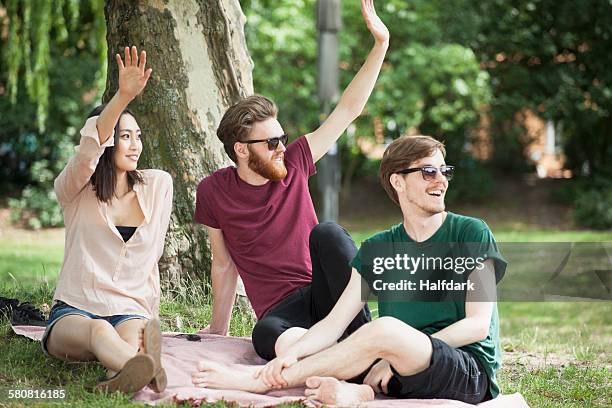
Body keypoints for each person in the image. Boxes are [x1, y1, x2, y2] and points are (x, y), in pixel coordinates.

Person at [191, 135, 507, 406]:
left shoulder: (471, 233)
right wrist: (291, 355)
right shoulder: (378, 248)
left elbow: (477, 326)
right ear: (398, 181)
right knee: (306, 341)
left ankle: (259, 382)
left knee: (384, 330)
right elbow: (333, 324)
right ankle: (359, 391)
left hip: (467, 370)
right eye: (428, 171)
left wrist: (394, 353)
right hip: (393, 371)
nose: (441, 180)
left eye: (444, 170)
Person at [193, 0, 389, 363]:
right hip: (283, 313)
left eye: (282, 138)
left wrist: (380, 46)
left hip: (327, 295)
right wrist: (218, 330)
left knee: (328, 233)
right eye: (271, 142)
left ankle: (366, 340)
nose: (281, 147)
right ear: (240, 149)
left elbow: (348, 109)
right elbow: (223, 264)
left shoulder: (296, 160)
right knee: (265, 334)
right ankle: (335, 356)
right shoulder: (213, 191)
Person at [43, 46, 173, 394]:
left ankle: (130, 370)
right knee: (99, 332)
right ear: (108, 142)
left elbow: (151, 262)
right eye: (124, 137)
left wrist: (147, 309)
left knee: (130, 339)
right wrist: (123, 96)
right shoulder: (73, 190)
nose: (134, 145)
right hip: (75, 310)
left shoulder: (157, 186)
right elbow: (88, 152)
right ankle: (144, 368)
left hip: (129, 309)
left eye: (138, 137)